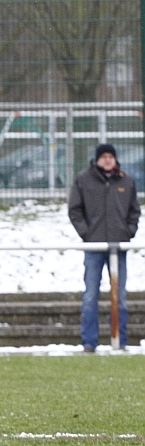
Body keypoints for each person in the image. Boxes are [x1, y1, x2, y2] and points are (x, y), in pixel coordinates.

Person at [68, 143, 140, 352]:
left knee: (121, 297)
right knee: (91, 295)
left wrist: (128, 232)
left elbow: (134, 211)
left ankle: (120, 341)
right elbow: (75, 210)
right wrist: (87, 234)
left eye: (111, 156)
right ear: (97, 159)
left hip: (119, 247)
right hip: (94, 247)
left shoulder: (127, 181)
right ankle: (89, 342)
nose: (108, 160)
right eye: (104, 156)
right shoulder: (83, 180)